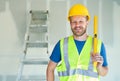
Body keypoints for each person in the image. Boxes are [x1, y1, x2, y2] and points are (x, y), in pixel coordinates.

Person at [46, 4, 108, 81]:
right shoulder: (62, 44)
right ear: (70, 23)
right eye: (74, 22)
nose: (77, 25)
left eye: (81, 21)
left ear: (87, 22)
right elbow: (50, 69)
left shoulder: (98, 45)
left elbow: (104, 73)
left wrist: (99, 67)